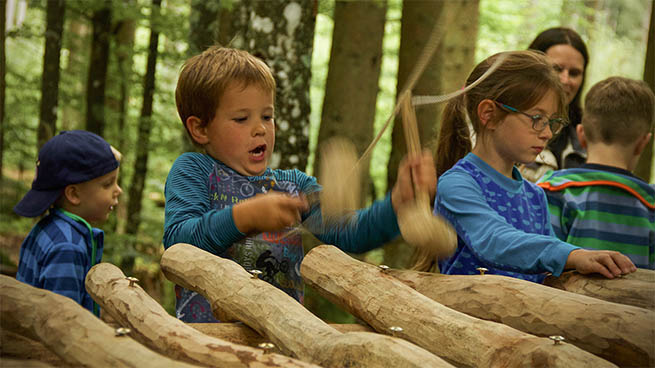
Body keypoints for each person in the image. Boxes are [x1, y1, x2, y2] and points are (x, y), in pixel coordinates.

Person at [164, 46, 436, 322]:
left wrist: (398, 200)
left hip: (283, 336)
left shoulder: (293, 185)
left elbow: (353, 234)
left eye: (267, 116)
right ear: (200, 129)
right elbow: (178, 244)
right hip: (207, 341)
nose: (260, 128)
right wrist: (246, 216)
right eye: (241, 119)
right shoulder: (193, 171)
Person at [427, 50, 635, 282]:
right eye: (537, 119)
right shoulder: (457, 184)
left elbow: (543, 272)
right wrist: (572, 254)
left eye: (553, 123)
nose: (547, 134)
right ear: (489, 114)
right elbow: (493, 240)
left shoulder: (535, 195)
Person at [539, 77, 655, 269]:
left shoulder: (553, 189)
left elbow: (542, 260)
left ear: (581, 134)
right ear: (643, 143)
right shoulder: (650, 204)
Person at [14, 130, 123, 316]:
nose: (118, 190)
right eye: (108, 184)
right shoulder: (68, 247)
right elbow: (65, 321)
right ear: (73, 194)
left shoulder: (48, 229)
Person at [521, 27, 589, 182]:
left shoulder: (588, 137)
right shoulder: (505, 123)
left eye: (574, 73)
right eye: (556, 69)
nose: (565, 80)